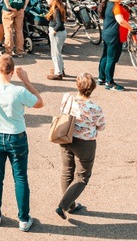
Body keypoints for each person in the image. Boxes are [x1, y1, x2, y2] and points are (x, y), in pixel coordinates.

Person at [0, 55, 44, 231]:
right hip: (16, 136)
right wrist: (27, 81)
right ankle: (23, 218)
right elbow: (40, 103)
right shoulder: (19, 91)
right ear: (12, 72)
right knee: (20, 177)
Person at [54, 73, 106, 220]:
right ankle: (63, 205)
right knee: (82, 176)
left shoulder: (67, 98)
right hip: (85, 143)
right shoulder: (95, 108)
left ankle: (71, 205)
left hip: (65, 136)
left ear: (77, 86)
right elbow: (101, 126)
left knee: (67, 171)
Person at [98, 0, 131, 90]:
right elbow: (120, 21)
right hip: (115, 35)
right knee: (112, 59)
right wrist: (130, 28)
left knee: (105, 56)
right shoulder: (115, 6)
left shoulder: (107, 4)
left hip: (107, 34)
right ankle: (109, 82)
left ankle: (101, 78)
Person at [46, 0, 68, 80]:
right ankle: (61, 69)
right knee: (58, 52)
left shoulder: (56, 10)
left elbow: (59, 24)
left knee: (55, 54)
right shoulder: (60, 8)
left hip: (57, 33)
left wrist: (53, 31)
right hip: (61, 33)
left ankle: (58, 73)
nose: (47, 0)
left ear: (53, 0)